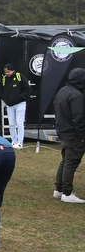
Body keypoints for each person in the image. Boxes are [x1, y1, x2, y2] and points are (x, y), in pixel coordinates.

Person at [53, 68, 85, 204]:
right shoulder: (77, 95)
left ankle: (58, 190)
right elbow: (79, 118)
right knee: (71, 163)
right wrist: (83, 135)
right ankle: (67, 192)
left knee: (65, 161)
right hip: (73, 135)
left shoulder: (63, 91)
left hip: (64, 132)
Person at [0, 63, 30, 149]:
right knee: (11, 124)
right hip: (9, 104)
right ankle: (14, 141)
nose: (7, 74)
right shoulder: (4, 79)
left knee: (19, 123)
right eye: (6, 72)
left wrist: (20, 98)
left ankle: (20, 142)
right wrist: (5, 99)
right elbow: (1, 90)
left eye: (8, 72)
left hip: (20, 103)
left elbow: (27, 89)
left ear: (12, 70)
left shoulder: (19, 77)